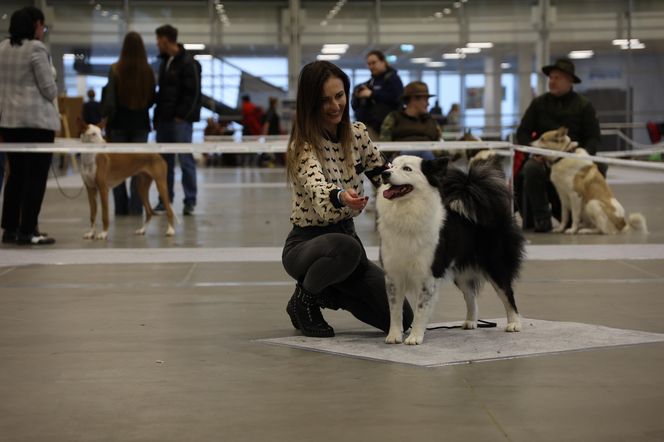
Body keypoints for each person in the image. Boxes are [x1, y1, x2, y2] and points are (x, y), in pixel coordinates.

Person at [282, 60, 413, 337]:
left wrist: (418, 184)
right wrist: (341, 196)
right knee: (346, 248)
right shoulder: (302, 145)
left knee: (403, 318)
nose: (335, 106)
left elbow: (382, 172)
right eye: (324, 100)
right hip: (307, 246)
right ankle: (303, 302)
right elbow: (317, 187)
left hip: (348, 248)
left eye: (339, 96)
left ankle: (328, 292)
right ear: (309, 103)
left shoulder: (357, 134)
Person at [515, 58, 602, 232]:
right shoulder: (538, 104)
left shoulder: (584, 106)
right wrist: (534, 153)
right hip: (543, 158)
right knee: (531, 169)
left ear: (570, 81)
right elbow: (522, 133)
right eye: (551, 77)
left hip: (574, 159)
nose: (552, 81)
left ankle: (588, 216)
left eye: (558, 78)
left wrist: (582, 156)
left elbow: (593, 137)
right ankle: (541, 219)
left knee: (602, 167)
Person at [0, 6, 59, 245]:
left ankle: (10, 228)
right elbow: (49, 89)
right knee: (36, 178)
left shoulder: (2, 48)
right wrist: (53, 76)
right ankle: (28, 231)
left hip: (10, 123)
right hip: (37, 124)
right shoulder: (36, 48)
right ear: (34, 26)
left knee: (15, 177)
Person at [102, 31, 156, 216]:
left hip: (118, 124)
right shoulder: (148, 71)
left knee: (117, 169)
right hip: (141, 124)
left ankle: (120, 209)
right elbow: (151, 99)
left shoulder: (115, 69)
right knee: (137, 168)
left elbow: (110, 101)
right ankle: (136, 209)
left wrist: (107, 120)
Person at [153, 24, 201, 216]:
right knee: (164, 163)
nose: (157, 43)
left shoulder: (189, 62)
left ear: (165, 39)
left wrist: (182, 116)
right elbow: (162, 93)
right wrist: (157, 118)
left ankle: (190, 200)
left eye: (158, 39)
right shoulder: (165, 61)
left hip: (180, 122)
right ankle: (165, 200)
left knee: (185, 160)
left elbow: (194, 93)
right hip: (164, 121)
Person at [379, 81, 441, 159]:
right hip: (400, 160)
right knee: (422, 151)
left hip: (427, 157)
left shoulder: (431, 121)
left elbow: (440, 146)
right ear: (414, 99)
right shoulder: (394, 118)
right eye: (425, 99)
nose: (428, 104)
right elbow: (385, 147)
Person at [351, 50, 404, 139]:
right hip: (369, 126)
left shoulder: (393, 79)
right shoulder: (369, 83)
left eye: (374, 63)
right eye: (368, 64)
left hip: (388, 128)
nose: (371, 66)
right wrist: (357, 96)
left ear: (383, 62)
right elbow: (356, 106)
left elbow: (397, 98)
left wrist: (372, 94)